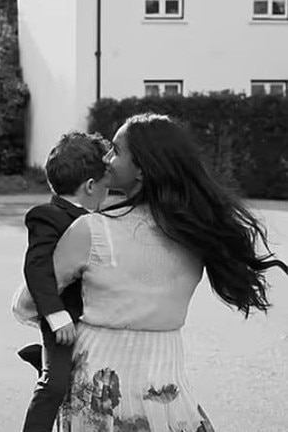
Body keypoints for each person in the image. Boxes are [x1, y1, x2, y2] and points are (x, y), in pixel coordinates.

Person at [48, 113, 287, 431]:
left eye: (116, 151)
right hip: (166, 389)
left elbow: (27, 303)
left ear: (142, 170)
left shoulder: (90, 230)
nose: (105, 159)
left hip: (96, 387)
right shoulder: (196, 233)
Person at [11, 132, 110, 432]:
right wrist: (55, 316)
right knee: (54, 386)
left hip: (96, 317)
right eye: (106, 185)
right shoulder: (48, 217)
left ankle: (42, 359)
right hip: (61, 321)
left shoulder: (101, 220)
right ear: (91, 186)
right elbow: (37, 269)